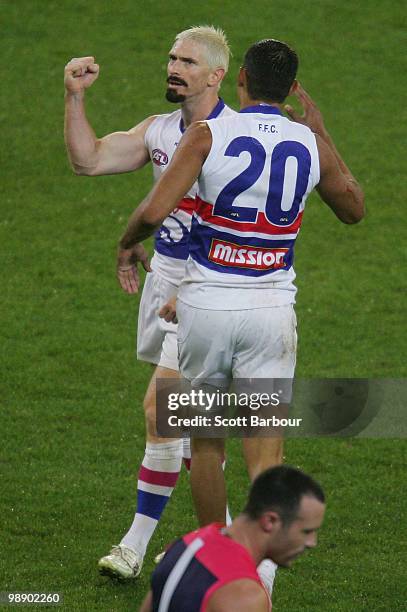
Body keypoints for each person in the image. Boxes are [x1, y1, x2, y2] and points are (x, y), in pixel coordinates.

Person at [117, 38, 364, 537]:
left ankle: (218, 558)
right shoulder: (308, 141)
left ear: (241, 80)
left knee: (205, 443)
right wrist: (321, 132)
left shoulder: (209, 133)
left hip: (205, 306)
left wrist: (127, 242)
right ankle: (264, 576)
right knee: (266, 448)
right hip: (272, 310)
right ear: (292, 87)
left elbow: (152, 212)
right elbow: (353, 209)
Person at [64, 26, 240, 580]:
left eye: (187, 61)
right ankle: (226, 537)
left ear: (215, 75)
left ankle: (134, 546)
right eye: (171, 57)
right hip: (165, 282)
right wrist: (75, 96)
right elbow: (88, 161)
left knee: (161, 410)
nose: (173, 67)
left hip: (209, 291)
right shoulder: (160, 131)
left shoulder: (234, 136)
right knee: (189, 423)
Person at [139, 465, 326, 611]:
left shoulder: (185, 545)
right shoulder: (244, 595)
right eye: (306, 531)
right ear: (270, 521)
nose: (312, 542)